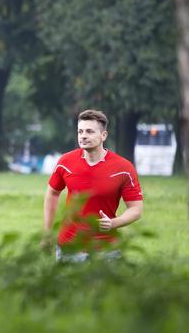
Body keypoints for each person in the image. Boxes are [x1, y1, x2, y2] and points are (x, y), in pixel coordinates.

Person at [42, 109, 143, 262]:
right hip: (70, 246)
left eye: (89, 131)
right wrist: (47, 232)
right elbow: (52, 193)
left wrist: (113, 223)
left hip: (107, 250)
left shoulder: (123, 167)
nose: (83, 136)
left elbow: (136, 209)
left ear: (104, 135)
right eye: (80, 131)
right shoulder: (65, 162)